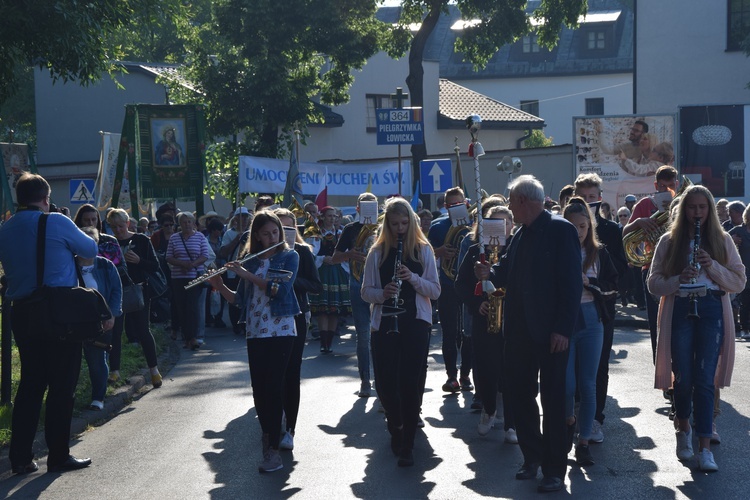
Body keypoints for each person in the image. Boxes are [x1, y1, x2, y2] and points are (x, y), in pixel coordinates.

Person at [474, 175, 582, 493]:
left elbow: (571, 284)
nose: (509, 207)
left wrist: (562, 328)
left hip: (551, 333)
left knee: (553, 400)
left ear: (523, 201)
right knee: (519, 397)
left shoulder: (561, 230)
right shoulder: (520, 233)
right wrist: (489, 272)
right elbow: (506, 269)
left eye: (511, 201)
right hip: (518, 333)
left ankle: (553, 469)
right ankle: (531, 456)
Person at [0, 173, 97, 474]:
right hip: (57, 312)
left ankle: (20, 458)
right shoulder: (55, 221)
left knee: (30, 384)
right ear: (46, 198)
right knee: (61, 385)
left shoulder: (5, 228)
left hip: (21, 312)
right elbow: (90, 251)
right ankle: (58, 456)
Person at [648, 185, 745, 472]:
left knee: (705, 379)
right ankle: (683, 429)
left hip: (711, 308)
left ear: (710, 210)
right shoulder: (669, 240)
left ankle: (705, 447)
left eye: (703, 208)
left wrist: (712, 266)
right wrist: (679, 279)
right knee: (684, 378)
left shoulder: (722, 239)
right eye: (692, 208)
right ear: (683, 210)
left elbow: (739, 281)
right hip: (680, 308)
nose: (697, 213)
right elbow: (653, 283)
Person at [208, 211, 300, 473]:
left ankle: (271, 449)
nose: (271, 237)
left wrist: (246, 275)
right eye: (265, 233)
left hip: (282, 330)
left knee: (273, 387)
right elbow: (239, 300)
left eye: (275, 232)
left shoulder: (289, 256)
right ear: (256, 236)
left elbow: (278, 289)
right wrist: (217, 284)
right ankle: (270, 432)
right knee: (259, 389)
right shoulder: (249, 261)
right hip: (256, 332)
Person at [361, 198, 440, 467]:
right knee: (385, 383)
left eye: (404, 223)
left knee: (409, 380)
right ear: (387, 224)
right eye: (394, 224)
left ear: (412, 222)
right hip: (384, 323)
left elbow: (435, 290)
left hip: (415, 323)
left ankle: (407, 441)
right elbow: (365, 292)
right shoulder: (378, 252)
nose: (400, 229)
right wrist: (382, 294)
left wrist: (413, 279)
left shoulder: (423, 250)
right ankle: (395, 423)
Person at [561, 198, 618, 466]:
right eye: (572, 227)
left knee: (588, 383)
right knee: (567, 385)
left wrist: (591, 283)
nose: (579, 231)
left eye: (583, 226)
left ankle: (583, 441)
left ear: (590, 226)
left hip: (593, 320)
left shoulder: (599, 252)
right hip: (565, 321)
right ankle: (569, 421)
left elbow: (614, 286)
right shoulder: (557, 251)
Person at [455, 203, 517, 443]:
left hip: (512, 320)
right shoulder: (475, 251)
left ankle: (511, 423)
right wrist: (475, 302)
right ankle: (489, 410)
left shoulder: (517, 248)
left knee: (511, 371)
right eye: (495, 224)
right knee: (486, 370)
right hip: (484, 319)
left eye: (506, 224)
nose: (501, 229)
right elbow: (460, 285)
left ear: (512, 226)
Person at [573, 173, 625, 443]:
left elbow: (620, 269)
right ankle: (576, 413)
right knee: (573, 369)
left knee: (598, 367)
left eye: (592, 197)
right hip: (572, 311)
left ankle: (595, 419)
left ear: (599, 199)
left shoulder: (611, 230)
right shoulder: (567, 228)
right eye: (583, 197)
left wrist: (594, 276)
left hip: (601, 308)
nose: (588, 201)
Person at [274, 208, 322, 451]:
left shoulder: (302, 251)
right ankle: (273, 419)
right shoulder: (266, 253)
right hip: (269, 318)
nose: (284, 233)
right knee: (273, 373)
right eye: (279, 228)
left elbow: (316, 285)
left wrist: (290, 279)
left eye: (289, 228)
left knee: (292, 371)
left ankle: (290, 428)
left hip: (297, 315)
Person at [622, 165, 679, 360]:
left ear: (677, 184)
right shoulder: (645, 204)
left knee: (681, 322)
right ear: (656, 185)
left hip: (680, 268)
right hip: (652, 267)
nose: (667, 190)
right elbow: (624, 233)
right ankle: (662, 369)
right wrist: (639, 223)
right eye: (663, 186)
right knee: (657, 321)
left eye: (671, 185)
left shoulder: (684, 202)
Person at [106, 208, 163, 387]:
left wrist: (139, 261)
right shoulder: (109, 242)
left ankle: (154, 370)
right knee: (116, 331)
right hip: (116, 291)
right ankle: (114, 371)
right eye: (114, 227)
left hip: (139, 290)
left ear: (128, 223)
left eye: (121, 226)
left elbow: (155, 265)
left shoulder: (141, 240)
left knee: (142, 330)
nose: (118, 230)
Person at [332, 193, 379, 396]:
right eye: (364, 206)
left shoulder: (384, 224)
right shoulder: (351, 229)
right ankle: (365, 381)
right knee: (363, 334)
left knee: (381, 334)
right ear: (357, 209)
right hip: (357, 283)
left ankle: (381, 378)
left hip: (379, 283)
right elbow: (334, 258)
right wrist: (349, 254)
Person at [428, 186, 473, 394]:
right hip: (447, 284)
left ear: (466, 203)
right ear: (446, 207)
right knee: (450, 332)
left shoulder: (474, 225)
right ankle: (451, 376)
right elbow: (425, 255)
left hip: (471, 285)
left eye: (460, 204)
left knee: (469, 333)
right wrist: (439, 251)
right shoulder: (437, 227)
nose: (457, 208)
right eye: (452, 205)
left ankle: (465, 374)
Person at [77, 227, 122, 411]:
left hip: (98, 321)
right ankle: (67, 397)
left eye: (92, 242)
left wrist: (111, 314)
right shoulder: (68, 264)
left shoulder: (105, 265)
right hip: (73, 320)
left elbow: (116, 290)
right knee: (71, 361)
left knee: (97, 360)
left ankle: (98, 397)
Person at [307, 206, 351, 353]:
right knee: (323, 309)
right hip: (323, 271)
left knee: (335, 310)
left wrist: (339, 259)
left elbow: (347, 252)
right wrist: (323, 258)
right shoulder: (316, 233)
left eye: (334, 216)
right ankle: (323, 342)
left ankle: (329, 343)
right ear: (323, 217)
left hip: (338, 271)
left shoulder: (340, 233)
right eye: (329, 216)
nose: (332, 218)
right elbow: (310, 252)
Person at [166, 212, 209, 349]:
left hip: (194, 276)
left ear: (193, 223)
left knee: (193, 307)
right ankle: (187, 337)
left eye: (189, 221)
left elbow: (205, 255)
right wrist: (182, 264)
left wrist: (193, 264)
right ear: (180, 224)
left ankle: (193, 337)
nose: (187, 224)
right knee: (181, 307)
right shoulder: (174, 238)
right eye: (184, 222)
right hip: (178, 277)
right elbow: (169, 257)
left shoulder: (200, 237)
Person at [219, 207, 253, 335]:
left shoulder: (251, 233)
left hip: (247, 270)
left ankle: (245, 323)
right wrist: (237, 239)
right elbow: (223, 252)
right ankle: (236, 324)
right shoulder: (229, 233)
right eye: (241, 216)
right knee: (234, 298)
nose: (243, 219)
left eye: (245, 216)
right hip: (233, 271)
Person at [730, 204, 750, 340]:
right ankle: (745, 328)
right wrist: (733, 240)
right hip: (745, 271)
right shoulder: (739, 230)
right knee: (745, 301)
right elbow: (721, 241)